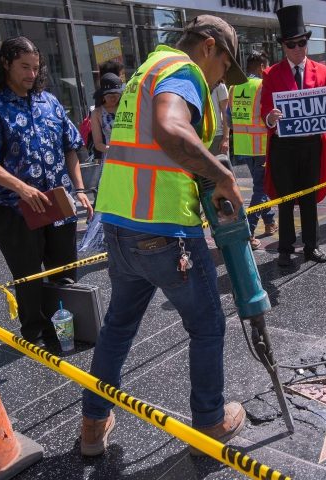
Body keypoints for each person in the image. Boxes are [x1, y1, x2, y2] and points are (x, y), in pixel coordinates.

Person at [79, 16, 248, 457]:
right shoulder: (183, 70)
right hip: (165, 230)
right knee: (208, 325)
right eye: (224, 68)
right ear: (208, 47)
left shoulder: (145, 71)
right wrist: (222, 175)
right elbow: (171, 130)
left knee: (117, 327)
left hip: (119, 225)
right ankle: (210, 422)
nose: (219, 82)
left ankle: (93, 426)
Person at [0, 36, 93, 348]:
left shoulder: (49, 102)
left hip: (58, 203)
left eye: (36, 68)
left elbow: (71, 147)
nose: (32, 74)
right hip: (15, 208)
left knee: (64, 270)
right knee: (29, 276)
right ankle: (36, 336)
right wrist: (22, 189)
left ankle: (71, 328)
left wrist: (80, 189)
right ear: (5, 63)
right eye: (24, 67)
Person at [261, 5, 326, 267]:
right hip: (283, 147)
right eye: (291, 44)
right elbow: (265, 110)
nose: (297, 49)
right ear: (283, 47)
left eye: (301, 43)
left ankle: (311, 246)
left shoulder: (322, 72)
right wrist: (271, 117)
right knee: (286, 199)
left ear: (307, 43)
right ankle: (285, 247)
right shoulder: (271, 74)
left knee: (309, 197)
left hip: (311, 146)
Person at [230, 50, 276, 249]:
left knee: (259, 185)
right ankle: (248, 232)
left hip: (243, 145)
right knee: (261, 188)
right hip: (261, 145)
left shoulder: (233, 87)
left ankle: (270, 222)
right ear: (261, 67)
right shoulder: (262, 85)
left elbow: (229, 116)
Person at [90, 73, 123, 161]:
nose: (113, 98)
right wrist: (113, 150)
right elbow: (98, 144)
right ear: (103, 96)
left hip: (132, 153)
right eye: (109, 95)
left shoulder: (126, 107)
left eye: (116, 94)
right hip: (111, 156)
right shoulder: (97, 113)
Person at [209, 80, 230, 155]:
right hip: (198, 138)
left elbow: (226, 113)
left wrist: (225, 139)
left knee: (220, 166)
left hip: (217, 137)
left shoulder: (219, 84)